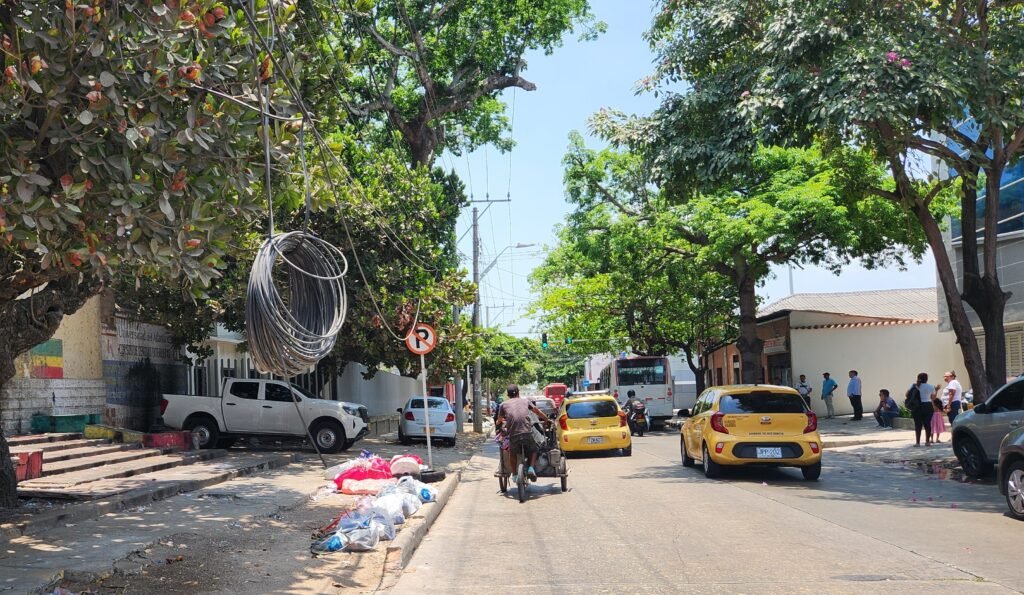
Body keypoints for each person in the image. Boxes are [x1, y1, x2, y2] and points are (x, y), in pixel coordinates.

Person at [495, 384, 550, 483]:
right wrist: (546, 418)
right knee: (534, 449)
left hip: (513, 435)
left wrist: (498, 423)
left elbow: (499, 420)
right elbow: (537, 411)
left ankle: (515, 475)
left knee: (512, 453)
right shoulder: (526, 401)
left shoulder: (503, 405)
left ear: (507, 395)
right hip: (527, 433)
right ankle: (531, 469)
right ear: (519, 392)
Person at [906, 372, 935, 446]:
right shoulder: (931, 386)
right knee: (927, 424)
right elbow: (933, 398)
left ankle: (917, 442)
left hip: (917, 406)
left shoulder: (914, 386)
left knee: (918, 425)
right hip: (928, 406)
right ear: (927, 379)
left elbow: (907, 394)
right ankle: (927, 442)